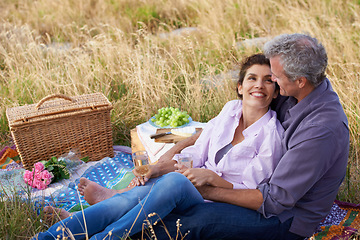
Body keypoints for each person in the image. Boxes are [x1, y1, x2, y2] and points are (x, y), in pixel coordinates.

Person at [32, 53, 285, 240]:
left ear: (275, 92)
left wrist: (212, 178)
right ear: (240, 87)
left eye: (268, 81)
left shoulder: (271, 134)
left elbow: (253, 189)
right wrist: (157, 169)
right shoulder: (229, 111)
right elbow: (195, 153)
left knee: (171, 183)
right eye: (252, 78)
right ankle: (48, 237)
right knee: (133, 197)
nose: (259, 85)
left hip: (219, 202)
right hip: (189, 185)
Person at [135, 33, 349, 240]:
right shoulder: (297, 90)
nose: (271, 81)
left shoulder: (320, 130)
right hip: (257, 189)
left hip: (287, 218)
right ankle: (116, 210)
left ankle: (126, 235)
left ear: (300, 81)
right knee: (168, 197)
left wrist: (205, 190)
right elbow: (215, 128)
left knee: (198, 220)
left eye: (275, 77)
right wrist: (173, 152)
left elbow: (273, 201)